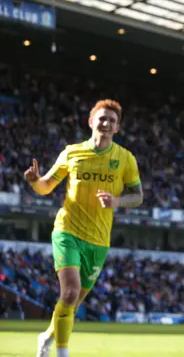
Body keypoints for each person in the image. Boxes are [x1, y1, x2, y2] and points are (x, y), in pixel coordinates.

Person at [25, 99, 143, 357]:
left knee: (72, 303)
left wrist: (117, 201)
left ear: (117, 128)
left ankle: (46, 335)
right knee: (69, 292)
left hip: (99, 241)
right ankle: (62, 353)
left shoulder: (125, 159)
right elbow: (46, 186)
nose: (106, 123)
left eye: (112, 120)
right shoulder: (71, 153)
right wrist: (35, 182)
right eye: (102, 118)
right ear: (91, 122)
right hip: (68, 231)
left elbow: (138, 196)